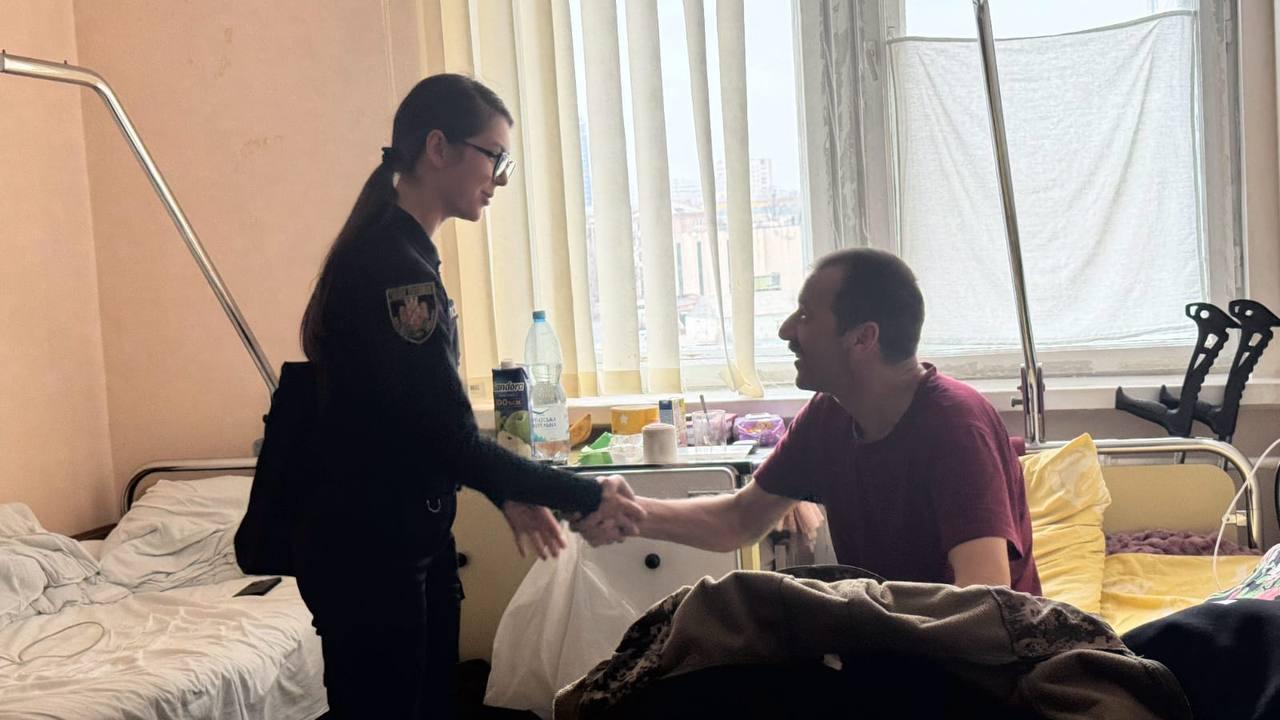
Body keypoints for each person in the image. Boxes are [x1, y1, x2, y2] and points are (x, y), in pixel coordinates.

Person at [292, 74, 644, 719]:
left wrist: (509, 491)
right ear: (438, 148)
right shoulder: (394, 269)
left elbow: (415, 422)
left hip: (400, 537)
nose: (499, 180)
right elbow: (444, 436)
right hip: (371, 551)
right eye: (494, 157)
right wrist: (583, 494)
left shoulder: (401, 254)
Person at [575, 248, 1039, 594]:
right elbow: (739, 520)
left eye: (805, 316)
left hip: (978, 668)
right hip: (895, 650)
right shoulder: (829, 415)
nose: (786, 332)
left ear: (863, 338)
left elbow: (983, 594)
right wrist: (625, 511)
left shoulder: (955, 425)